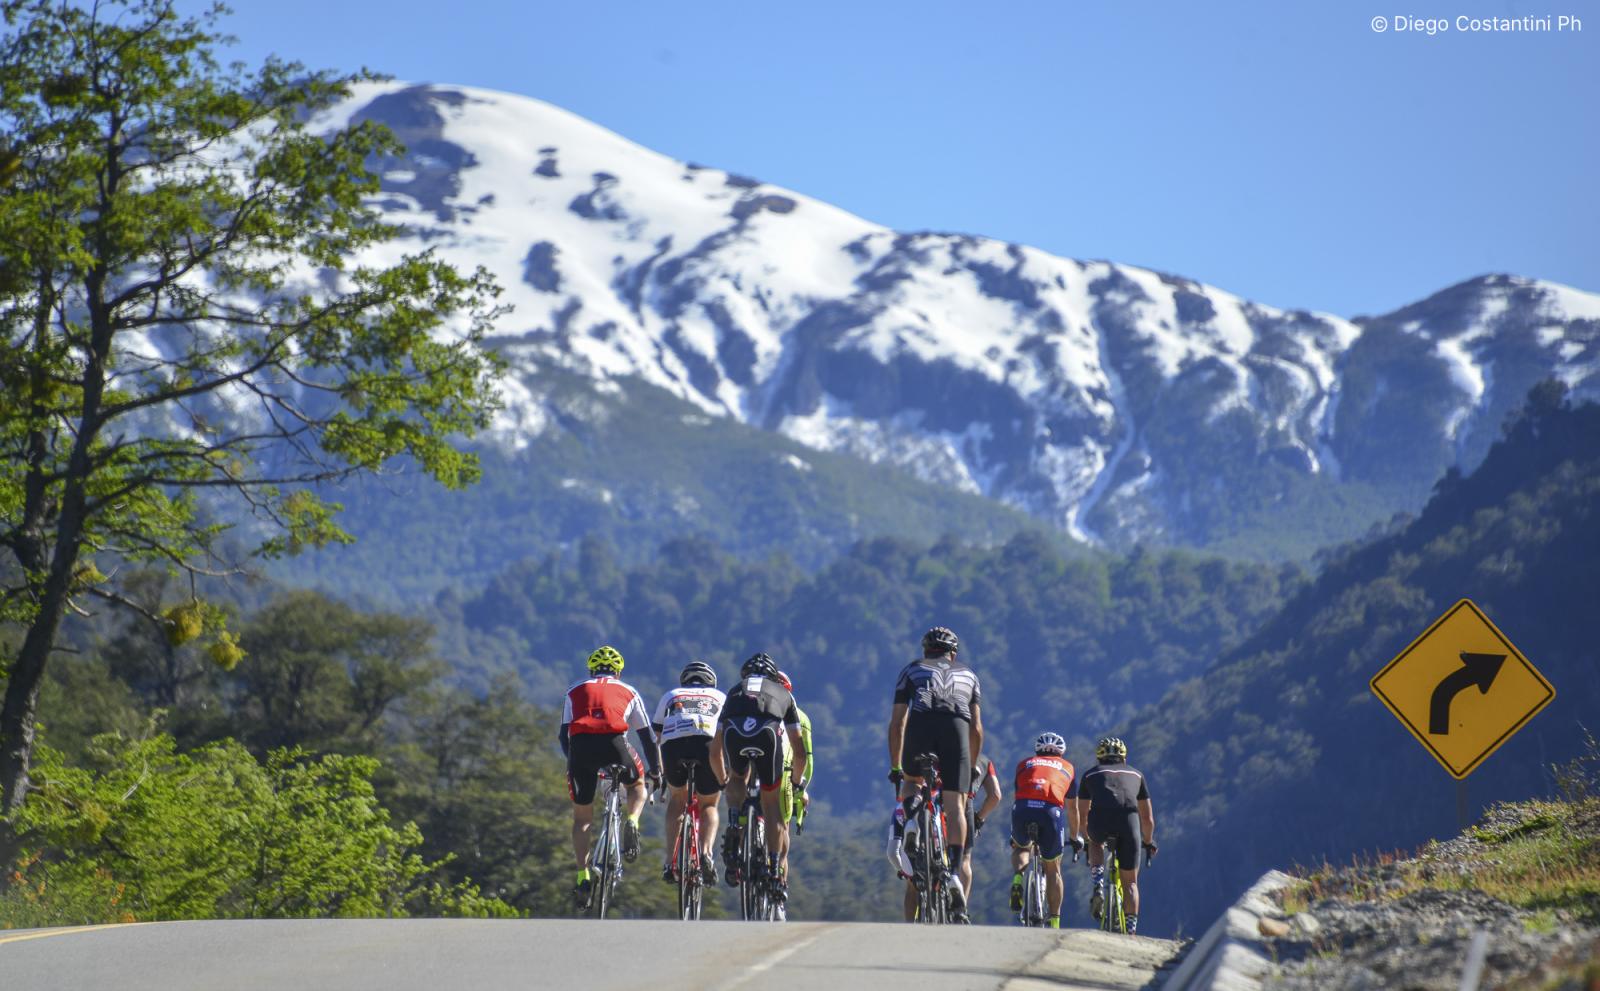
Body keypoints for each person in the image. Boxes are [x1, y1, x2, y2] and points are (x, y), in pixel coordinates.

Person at [887, 625, 983, 923]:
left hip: (921, 725)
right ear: (953, 653)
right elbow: (977, 729)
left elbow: (897, 722)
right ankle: (954, 871)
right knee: (955, 806)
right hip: (957, 728)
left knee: (912, 785)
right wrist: (971, 765)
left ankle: (914, 821)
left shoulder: (912, 670)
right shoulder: (969, 674)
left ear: (925, 650)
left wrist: (896, 768)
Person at [560, 645, 661, 909]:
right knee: (637, 785)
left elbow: (563, 736)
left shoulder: (574, 691)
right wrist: (656, 770)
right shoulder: (629, 691)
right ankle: (632, 820)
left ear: (592, 669)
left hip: (580, 748)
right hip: (615, 745)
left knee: (582, 817)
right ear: (617, 671)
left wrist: (573, 763)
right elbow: (647, 737)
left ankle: (582, 876)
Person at [711, 652, 807, 904]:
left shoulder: (734, 691)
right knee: (771, 802)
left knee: (737, 778)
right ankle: (775, 869)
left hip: (735, 732)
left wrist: (724, 780)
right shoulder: (784, 693)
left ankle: (734, 822)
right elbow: (798, 748)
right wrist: (797, 781)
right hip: (768, 735)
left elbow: (715, 749)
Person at [651, 660, 726, 885]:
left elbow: (656, 734)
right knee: (709, 804)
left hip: (673, 746)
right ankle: (705, 853)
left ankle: (670, 861)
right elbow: (729, 735)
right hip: (707, 744)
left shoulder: (672, 694)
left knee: (678, 798)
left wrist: (658, 770)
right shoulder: (720, 697)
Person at [1074, 736, 1157, 935]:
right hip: (1129, 823)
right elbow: (1147, 819)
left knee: (1095, 843)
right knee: (1130, 883)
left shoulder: (1089, 775)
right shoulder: (1137, 775)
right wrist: (1148, 842)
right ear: (1124, 758)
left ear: (1099, 758)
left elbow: (1082, 815)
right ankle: (1130, 930)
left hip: (1100, 820)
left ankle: (1098, 883)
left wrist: (1086, 839)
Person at [1008, 732, 1080, 928]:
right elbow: (1072, 809)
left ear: (1037, 751)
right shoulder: (1068, 768)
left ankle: (1017, 879)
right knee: (1053, 869)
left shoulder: (1024, 763)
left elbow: (1018, 793)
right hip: (1050, 812)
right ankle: (1055, 920)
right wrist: (1075, 837)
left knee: (1021, 847)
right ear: (1061, 753)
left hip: (1022, 809)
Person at [965, 751, 1003, 899]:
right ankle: (960, 910)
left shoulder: (940, 750)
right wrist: (978, 819)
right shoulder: (984, 761)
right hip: (964, 805)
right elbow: (995, 796)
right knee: (964, 859)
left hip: (937, 803)